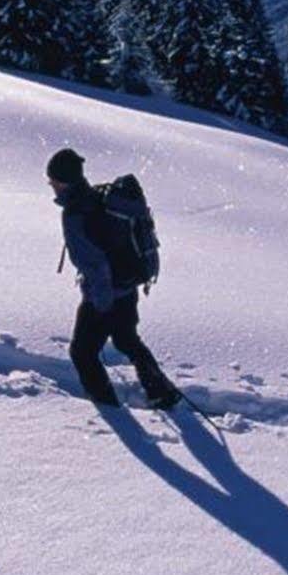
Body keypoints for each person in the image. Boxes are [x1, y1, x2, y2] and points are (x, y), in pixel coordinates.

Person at [48, 147, 181, 409]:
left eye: (53, 180)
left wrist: (101, 304)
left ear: (63, 182)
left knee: (82, 353)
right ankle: (162, 392)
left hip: (104, 294)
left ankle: (107, 404)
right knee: (126, 339)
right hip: (128, 285)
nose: (51, 185)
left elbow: (95, 265)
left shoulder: (75, 213)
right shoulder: (98, 197)